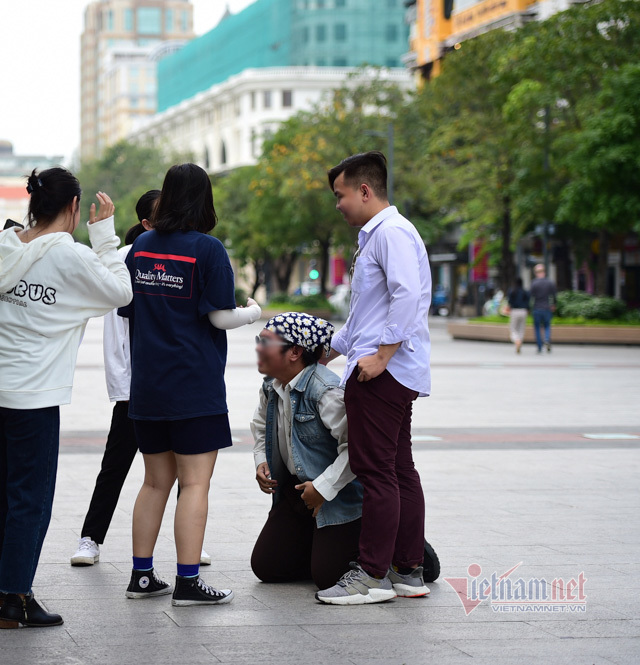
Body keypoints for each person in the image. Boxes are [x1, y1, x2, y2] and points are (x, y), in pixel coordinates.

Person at [0, 167, 133, 629]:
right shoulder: (69, 255)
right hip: (29, 392)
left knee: (1, 485)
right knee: (30, 495)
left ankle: (0, 579)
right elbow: (121, 291)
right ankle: (16, 597)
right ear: (73, 207)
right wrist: (105, 236)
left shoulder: (4, 246)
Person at [121, 163, 261, 607]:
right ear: (205, 199)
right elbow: (219, 316)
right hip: (193, 386)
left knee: (154, 482)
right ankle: (187, 582)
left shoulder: (140, 246)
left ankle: (141, 576)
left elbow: (128, 309)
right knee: (194, 484)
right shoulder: (209, 249)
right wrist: (254, 312)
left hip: (147, 386)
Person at [70, 191, 213, 569]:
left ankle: (189, 543)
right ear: (148, 224)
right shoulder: (129, 258)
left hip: (174, 381)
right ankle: (91, 538)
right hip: (137, 384)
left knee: (186, 470)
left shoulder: (188, 255)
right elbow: (118, 321)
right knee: (119, 465)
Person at [316, 151, 432, 605]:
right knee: (399, 469)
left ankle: (371, 576)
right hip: (383, 367)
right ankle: (407, 570)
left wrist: (381, 356)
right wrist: (330, 351)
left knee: (376, 472)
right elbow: (367, 313)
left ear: (365, 190)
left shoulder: (390, 233)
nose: (338, 204)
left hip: (381, 373)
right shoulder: (382, 235)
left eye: (341, 195)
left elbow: (408, 295)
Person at [249, 313, 363, 591]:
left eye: (266, 341)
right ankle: (318, 548)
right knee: (268, 568)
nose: (258, 347)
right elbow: (260, 426)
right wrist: (261, 461)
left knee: (327, 577)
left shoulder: (326, 392)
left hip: (337, 497)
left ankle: (403, 549)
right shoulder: (271, 384)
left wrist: (323, 489)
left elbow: (357, 449)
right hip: (298, 492)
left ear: (295, 352)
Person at [530, 264, 557, 354]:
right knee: (547, 326)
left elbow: (531, 296)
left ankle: (539, 347)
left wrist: (530, 308)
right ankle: (546, 339)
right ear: (544, 272)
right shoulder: (549, 282)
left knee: (537, 328)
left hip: (537, 308)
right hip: (546, 307)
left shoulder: (534, 283)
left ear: (536, 273)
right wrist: (553, 304)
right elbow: (554, 295)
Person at [507, 277, 531, 354]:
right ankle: (520, 341)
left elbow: (509, 301)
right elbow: (528, 302)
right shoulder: (525, 291)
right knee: (521, 329)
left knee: (513, 329)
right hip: (523, 311)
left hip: (514, 311)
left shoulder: (512, 291)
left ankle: (517, 340)